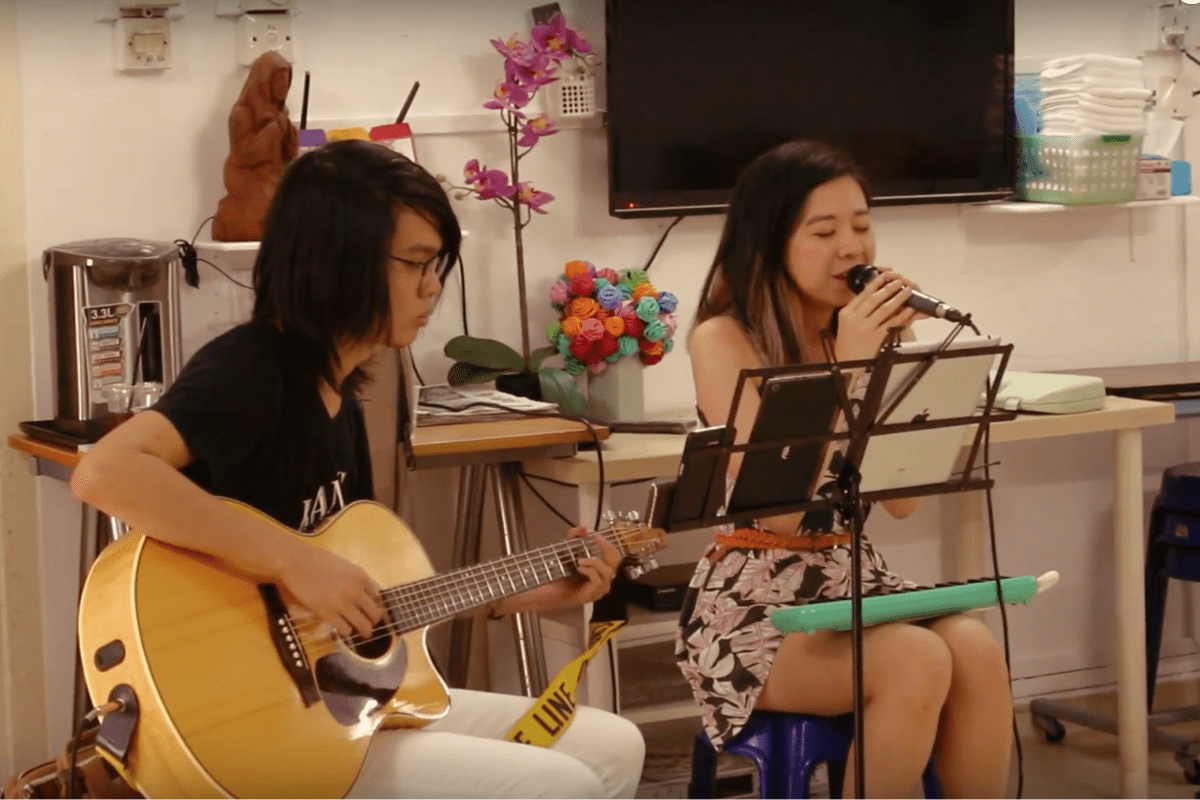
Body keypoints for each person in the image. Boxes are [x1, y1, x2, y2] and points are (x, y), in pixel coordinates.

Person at [70, 138, 645, 800]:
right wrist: (292, 560)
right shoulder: (251, 368)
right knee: (558, 785)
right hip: (253, 727)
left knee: (613, 745)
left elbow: (370, 607)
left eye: (437, 265)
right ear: (338, 261)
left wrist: (531, 592)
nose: (432, 287)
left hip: (337, 705)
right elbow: (105, 472)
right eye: (416, 263)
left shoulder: (342, 395)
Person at [675, 139, 1013, 800]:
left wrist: (896, 362)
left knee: (975, 648)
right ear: (769, 242)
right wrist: (851, 368)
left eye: (861, 226)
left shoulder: (858, 336)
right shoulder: (722, 339)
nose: (851, 249)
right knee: (917, 658)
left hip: (851, 580)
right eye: (824, 232)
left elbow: (903, 502)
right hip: (755, 605)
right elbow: (779, 514)